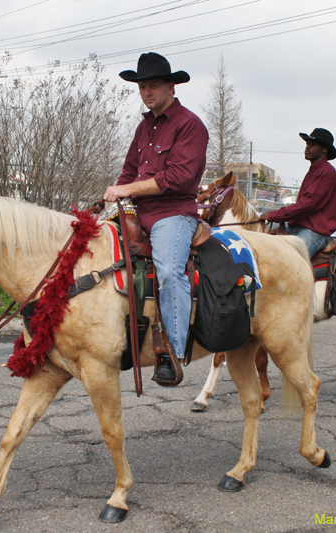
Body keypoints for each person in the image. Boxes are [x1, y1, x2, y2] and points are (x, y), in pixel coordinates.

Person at [103, 52, 208, 386]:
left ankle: (172, 351)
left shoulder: (190, 125)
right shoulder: (143, 126)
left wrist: (127, 189)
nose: (147, 93)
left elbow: (176, 178)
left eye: (153, 86)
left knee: (167, 270)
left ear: (171, 86)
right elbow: (128, 172)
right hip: (138, 211)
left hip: (172, 213)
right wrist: (114, 197)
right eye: (142, 87)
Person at [259, 128, 336, 257]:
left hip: (315, 232)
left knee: (290, 261)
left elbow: (307, 204)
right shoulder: (314, 171)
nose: (307, 147)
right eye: (307, 144)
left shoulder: (326, 172)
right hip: (300, 226)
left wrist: (275, 215)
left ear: (324, 149)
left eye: (312, 144)